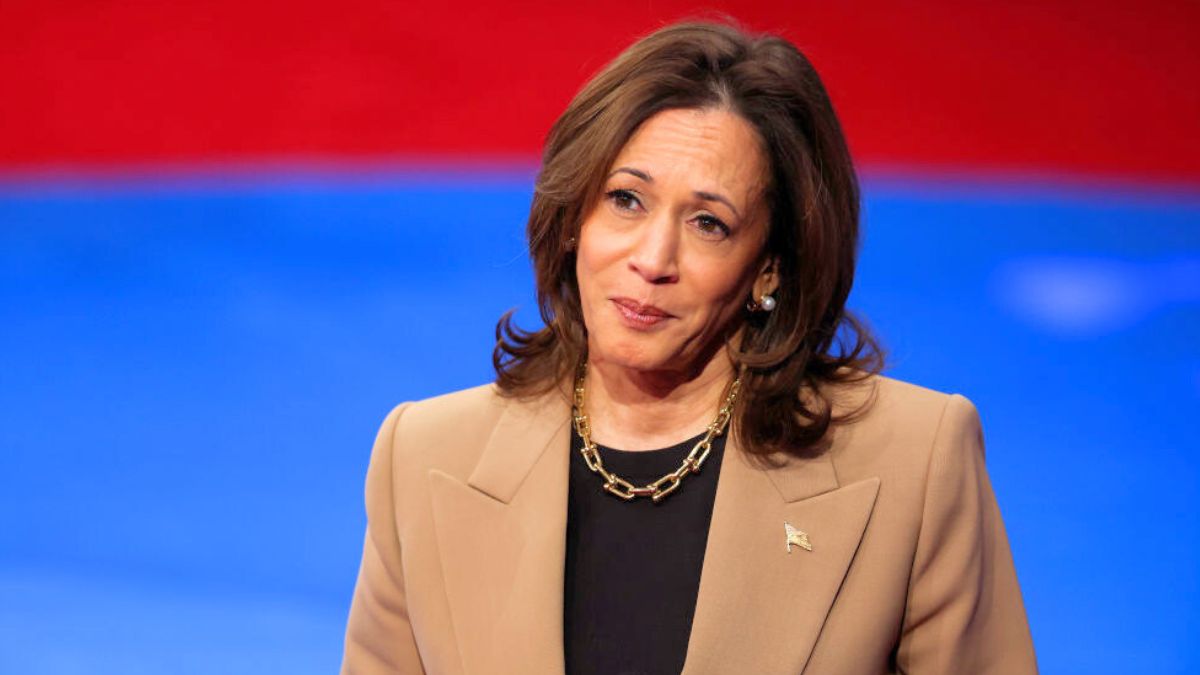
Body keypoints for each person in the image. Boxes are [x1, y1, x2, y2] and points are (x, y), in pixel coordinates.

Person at [341, 19, 1037, 675]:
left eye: (708, 222)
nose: (653, 257)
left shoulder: (914, 461)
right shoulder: (424, 457)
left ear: (769, 266)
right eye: (626, 200)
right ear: (572, 218)